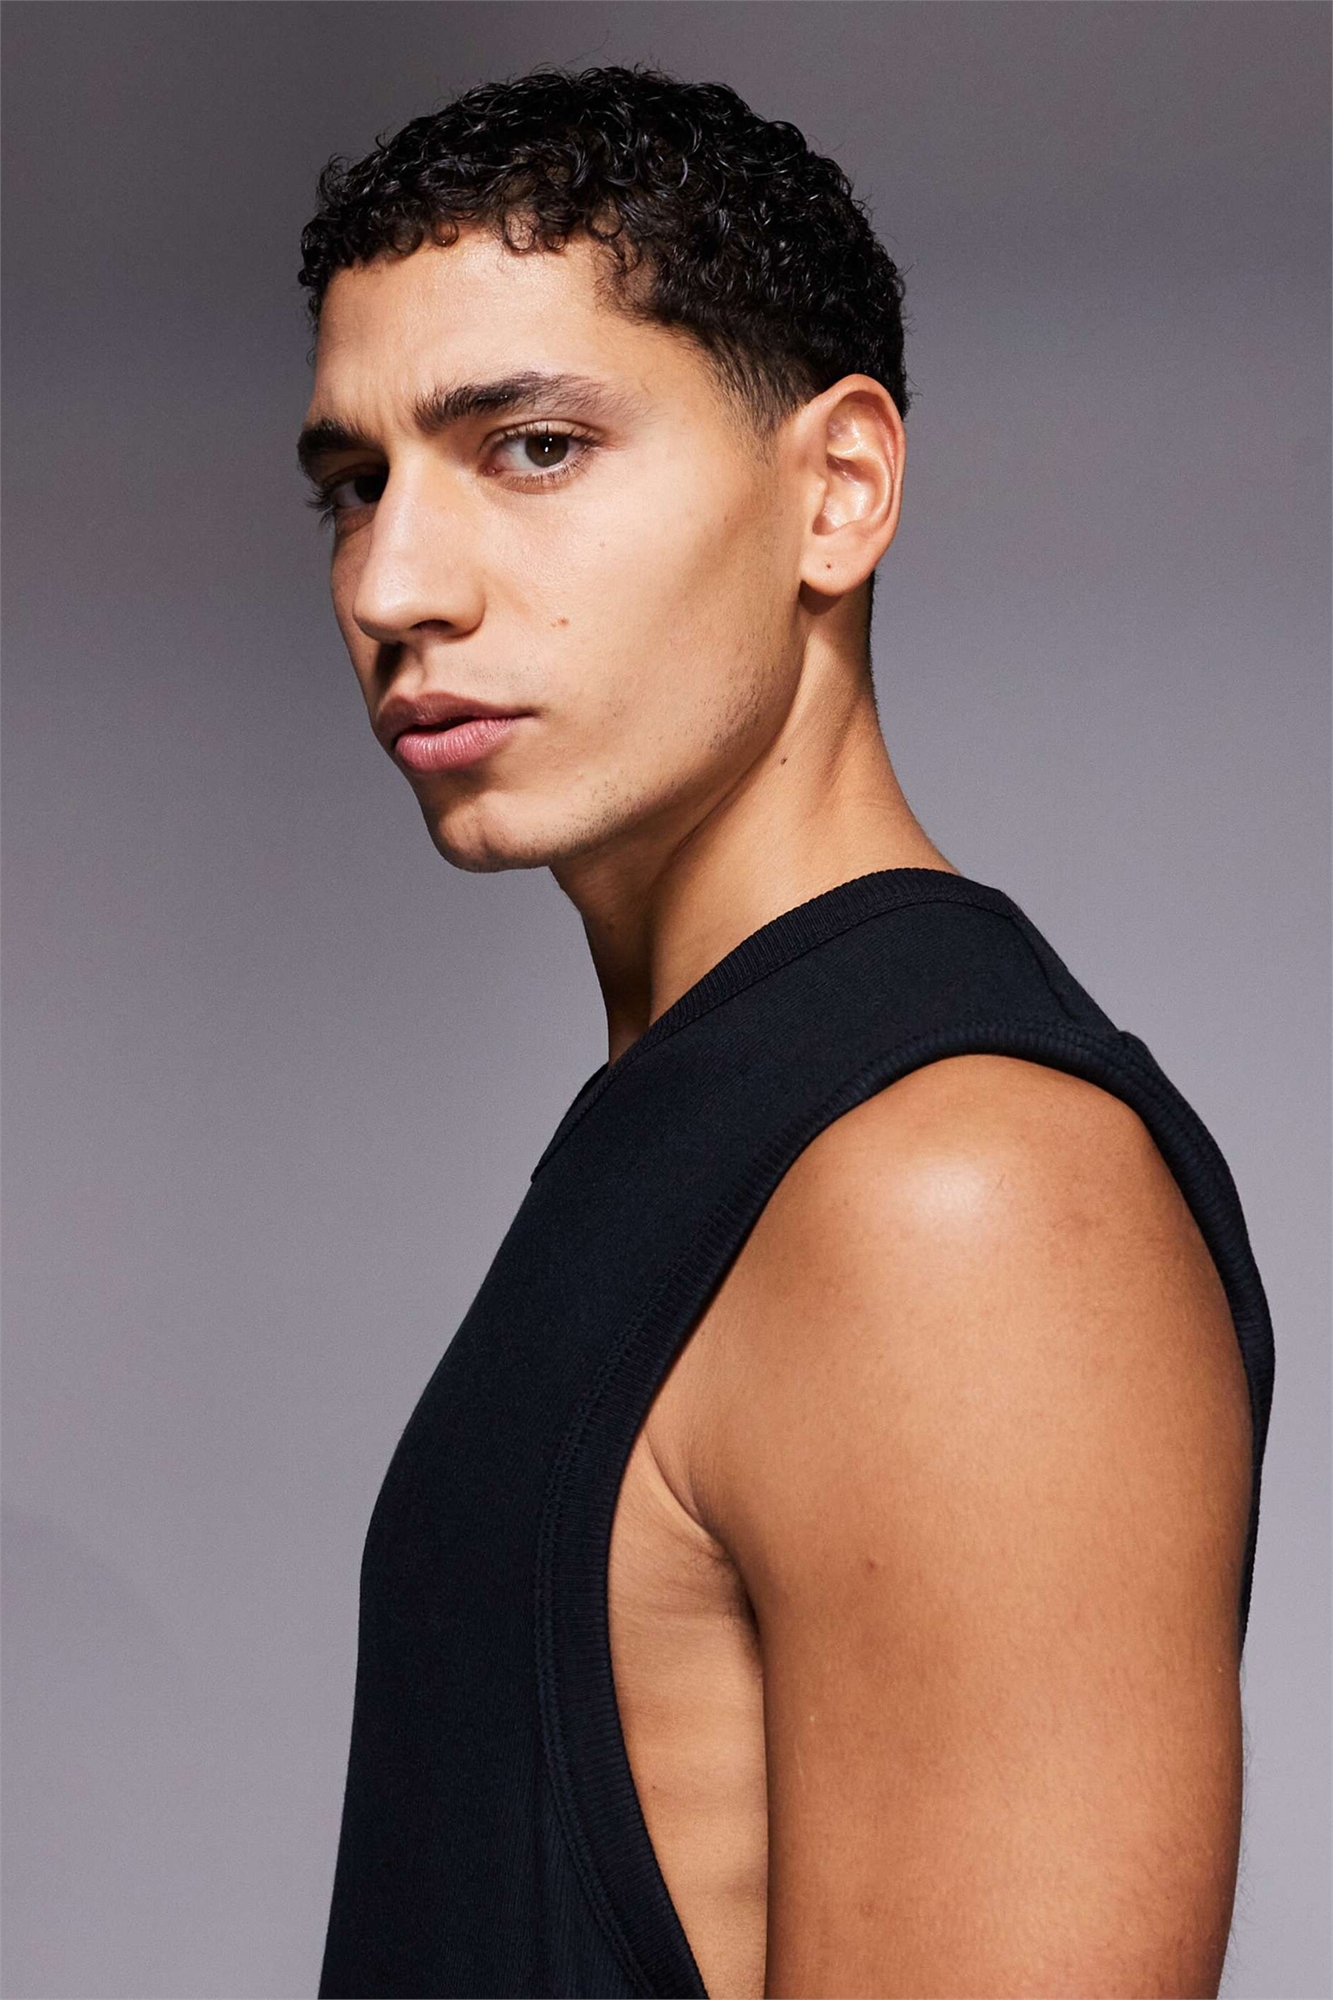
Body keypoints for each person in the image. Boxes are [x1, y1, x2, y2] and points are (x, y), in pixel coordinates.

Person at [296, 62, 1274, 2000]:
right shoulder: (710, 1125)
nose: (394, 584)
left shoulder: (959, 1194)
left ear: (836, 490)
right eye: (356, 483)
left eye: (532, 447)